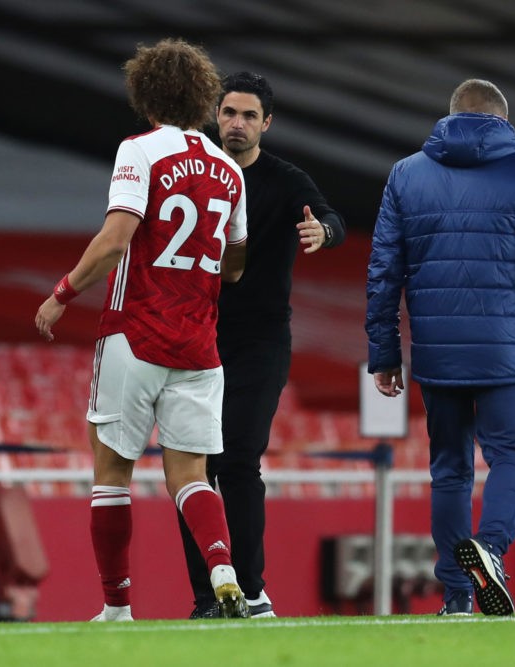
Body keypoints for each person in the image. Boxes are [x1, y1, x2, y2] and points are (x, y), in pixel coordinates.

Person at [34, 38, 250, 621]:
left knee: (112, 474)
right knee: (191, 476)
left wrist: (61, 294)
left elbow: (115, 238)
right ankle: (224, 568)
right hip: (199, 343)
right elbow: (234, 262)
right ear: (205, 98)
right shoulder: (230, 170)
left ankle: (117, 608)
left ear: (145, 92)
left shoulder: (140, 151)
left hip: (134, 332)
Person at [365, 79, 515, 616]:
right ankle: (490, 548)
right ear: (502, 120)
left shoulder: (406, 175)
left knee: (450, 469)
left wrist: (385, 353)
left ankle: (458, 594)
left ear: (452, 116)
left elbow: (383, 274)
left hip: (438, 354)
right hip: (505, 352)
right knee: (513, 455)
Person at [176, 72, 346, 619]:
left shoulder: (285, 180)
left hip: (259, 341)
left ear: (266, 124)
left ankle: (249, 590)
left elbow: (333, 218)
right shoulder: (192, 171)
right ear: (215, 115)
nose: (237, 123)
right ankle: (207, 598)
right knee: (193, 468)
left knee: (239, 459)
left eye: (249, 115)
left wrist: (324, 232)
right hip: (195, 335)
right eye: (228, 112)